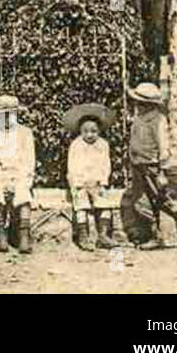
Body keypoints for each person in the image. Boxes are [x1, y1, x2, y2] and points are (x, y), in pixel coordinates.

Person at [120, 82, 177, 249]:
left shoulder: (158, 121)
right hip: (138, 165)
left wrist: (162, 171)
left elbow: (163, 146)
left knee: (160, 198)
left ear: (150, 104)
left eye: (140, 103)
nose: (137, 105)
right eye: (136, 102)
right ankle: (154, 235)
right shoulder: (138, 117)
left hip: (152, 166)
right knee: (141, 202)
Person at [0, 94, 36, 254]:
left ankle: (23, 235)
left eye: (10, 114)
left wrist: (19, 178)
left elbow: (29, 161)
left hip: (20, 175)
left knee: (23, 192)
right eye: (2, 115)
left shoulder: (25, 133)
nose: (6, 118)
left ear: (16, 114)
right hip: (0, 175)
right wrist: (3, 178)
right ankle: (0, 233)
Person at [63, 102, 116, 251]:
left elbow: (106, 164)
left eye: (93, 131)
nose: (90, 135)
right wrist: (77, 183)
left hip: (97, 182)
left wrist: (103, 181)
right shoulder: (76, 145)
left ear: (99, 130)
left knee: (105, 203)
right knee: (81, 206)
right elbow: (72, 166)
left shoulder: (103, 145)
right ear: (80, 131)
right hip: (81, 182)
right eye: (86, 131)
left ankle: (103, 235)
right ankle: (83, 236)